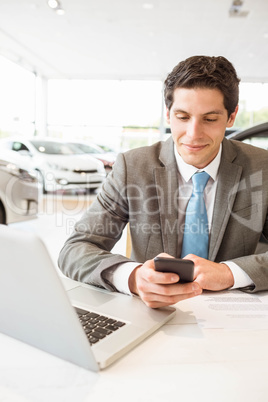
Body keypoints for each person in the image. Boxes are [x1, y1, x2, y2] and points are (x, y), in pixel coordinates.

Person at [58, 55, 268, 308]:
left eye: (210, 119)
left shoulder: (262, 168)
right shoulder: (132, 167)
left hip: (234, 318)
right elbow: (76, 249)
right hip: (152, 313)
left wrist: (229, 273)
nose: (193, 134)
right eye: (182, 117)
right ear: (168, 114)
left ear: (231, 117)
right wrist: (133, 278)